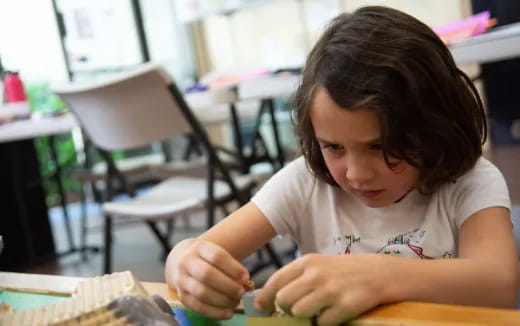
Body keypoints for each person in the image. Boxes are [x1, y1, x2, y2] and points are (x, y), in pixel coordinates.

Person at [165, 6, 519, 325]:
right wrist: (186, 263)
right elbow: (196, 251)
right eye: (333, 146)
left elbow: (499, 283)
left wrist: (379, 278)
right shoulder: (305, 181)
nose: (357, 173)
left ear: (434, 124)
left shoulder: (470, 181)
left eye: (381, 146)